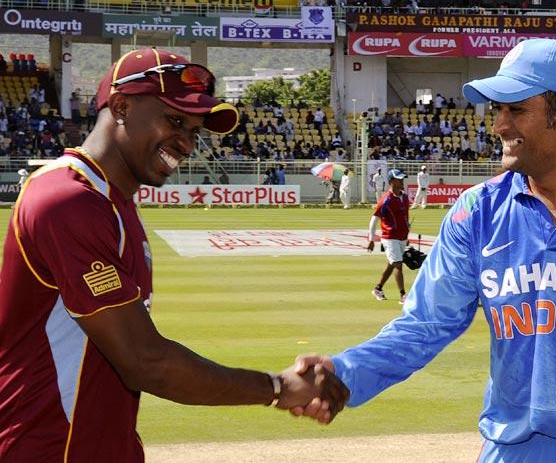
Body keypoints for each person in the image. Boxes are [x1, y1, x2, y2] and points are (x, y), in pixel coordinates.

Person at [292, 38, 556, 462]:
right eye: (497, 110)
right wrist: (343, 375)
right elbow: (424, 326)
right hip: (507, 451)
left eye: (516, 110)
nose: (499, 125)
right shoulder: (476, 211)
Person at [0, 48, 348, 461]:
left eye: (195, 131)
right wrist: (278, 388)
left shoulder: (114, 202)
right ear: (122, 106)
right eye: (175, 120)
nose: (185, 142)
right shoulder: (67, 200)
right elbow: (144, 360)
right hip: (48, 451)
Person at [367, 169, 410, 304]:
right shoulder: (386, 199)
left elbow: (405, 217)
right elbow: (374, 219)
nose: (402, 181)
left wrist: (407, 234)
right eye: (399, 179)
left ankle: (378, 288)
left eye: (402, 179)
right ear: (392, 181)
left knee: (392, 264)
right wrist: (371, 239)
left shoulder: (405, 197)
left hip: (402, 237)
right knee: (398, 264)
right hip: (389, 236)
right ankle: (403, 295)